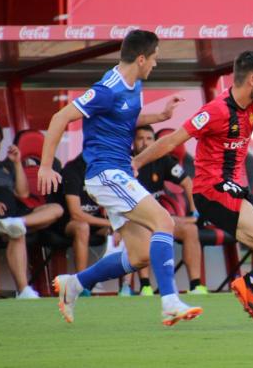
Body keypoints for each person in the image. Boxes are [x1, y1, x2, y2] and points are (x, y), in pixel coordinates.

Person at [133, 51, 253, 328]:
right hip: (211, 192)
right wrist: (137, 161)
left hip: (235, 190)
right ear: (252, 79)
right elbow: (172, 141)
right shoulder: (215, 111)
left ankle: (251, 282)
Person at [38, 30, 202, 327]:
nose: (155, 65)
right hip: (105, 173)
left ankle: (73, 285)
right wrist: (46, 167)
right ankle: (170, 302)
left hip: (119, 173)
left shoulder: (134, 84)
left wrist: (160, 117)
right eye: (154, 59)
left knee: (139, 256)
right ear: (141, 59)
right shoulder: (107, 89)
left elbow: (125, 116)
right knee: (164, 221)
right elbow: (60, 118)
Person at [0, 122, 63, 299]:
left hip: (13, 214)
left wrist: (17, 164)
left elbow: (23, 193)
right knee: (9, 233)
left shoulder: (5, 165)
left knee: (55, 209)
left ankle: (17, 223)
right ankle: (23, 289)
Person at [132, 125, 206, 295]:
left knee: (190, 229)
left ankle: (195, 285)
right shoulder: (127, 162)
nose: (145, 143)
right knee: (143, 228)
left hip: (158, 218)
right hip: (136, 219)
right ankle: (145, 286)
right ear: (133, 142)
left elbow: (187, 182)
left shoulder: (162, 160)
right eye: (140, 138)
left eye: (149, 139)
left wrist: (193, 212)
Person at [58, 154, 111, 275]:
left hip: (95, 221)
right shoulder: (72, 169)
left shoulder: (106, 169)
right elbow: (76, 214)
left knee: (126, 226)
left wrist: (117, 223)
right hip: (68, 223)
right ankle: (82, 284)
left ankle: (126, 286)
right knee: (82, 227)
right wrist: (110, 223)